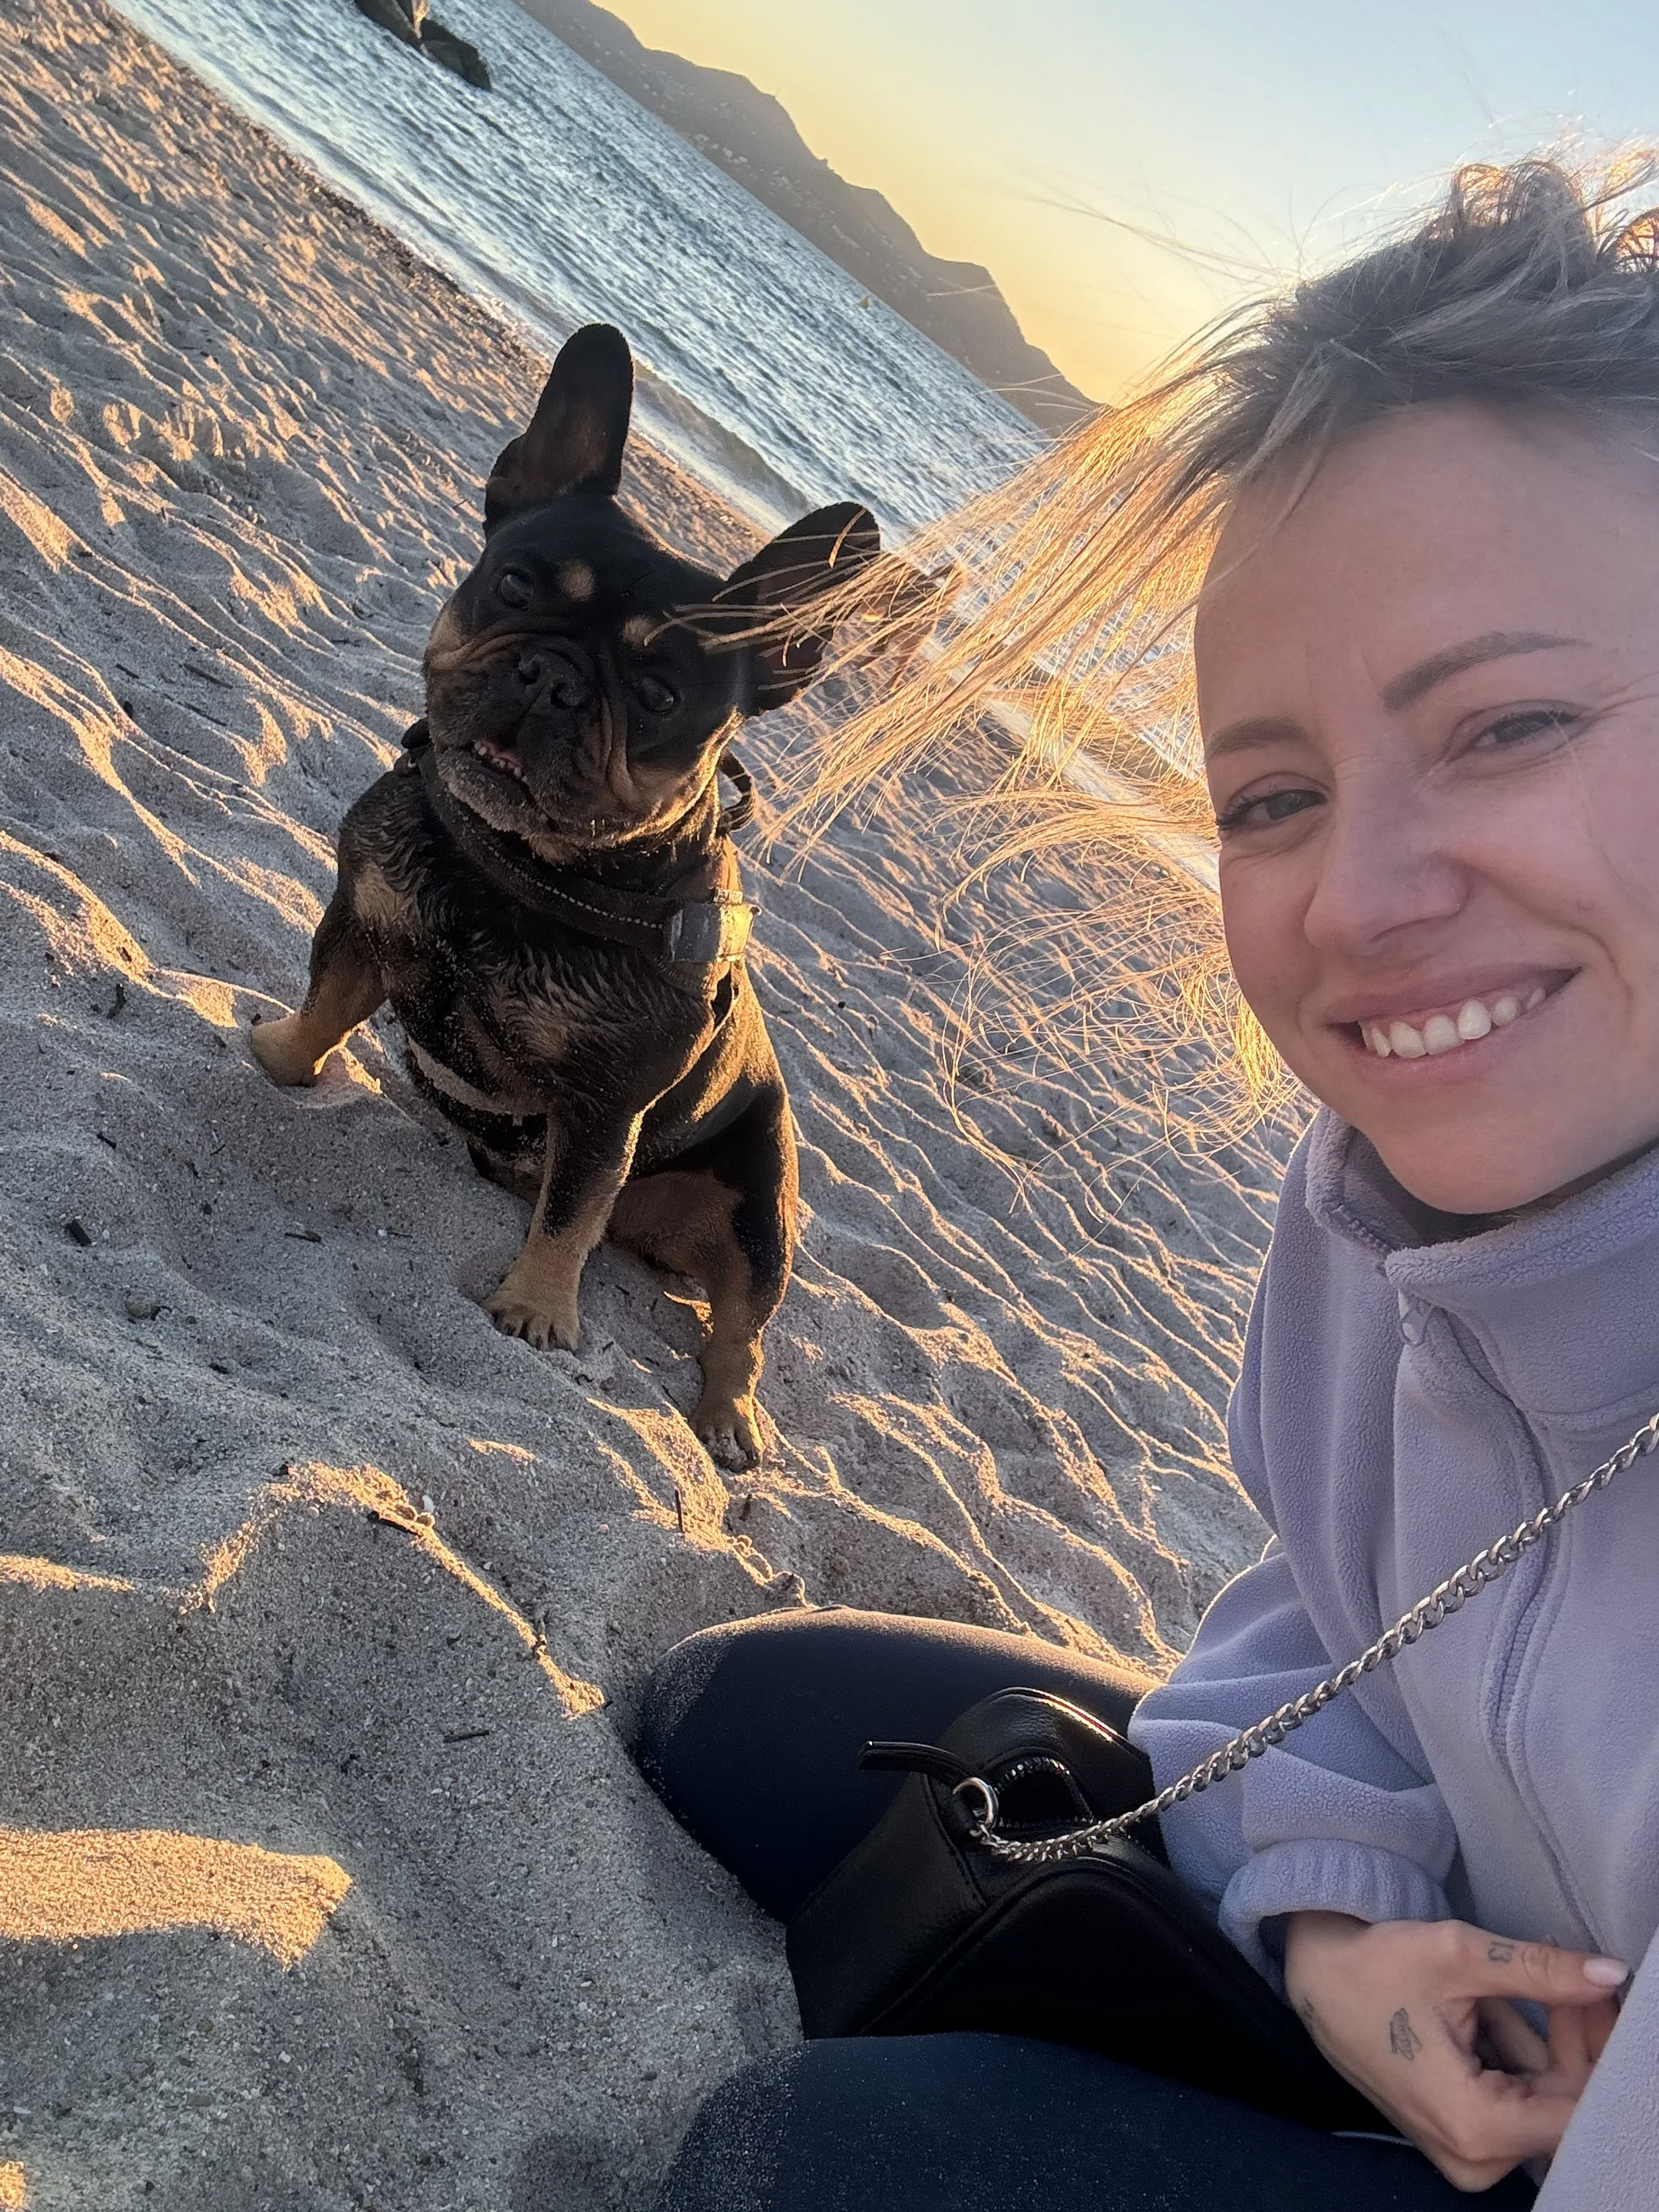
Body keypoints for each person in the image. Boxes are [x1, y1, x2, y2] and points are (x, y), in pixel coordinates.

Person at [635, 159, 1659, 2209]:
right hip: (1471, 1963)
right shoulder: (1379, 1201)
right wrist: (1340, 1931)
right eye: (1271, 796)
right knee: (726, 1720)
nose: (1356, 900)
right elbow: (1327, 1608)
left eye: (1507, 722)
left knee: (811, 2166)